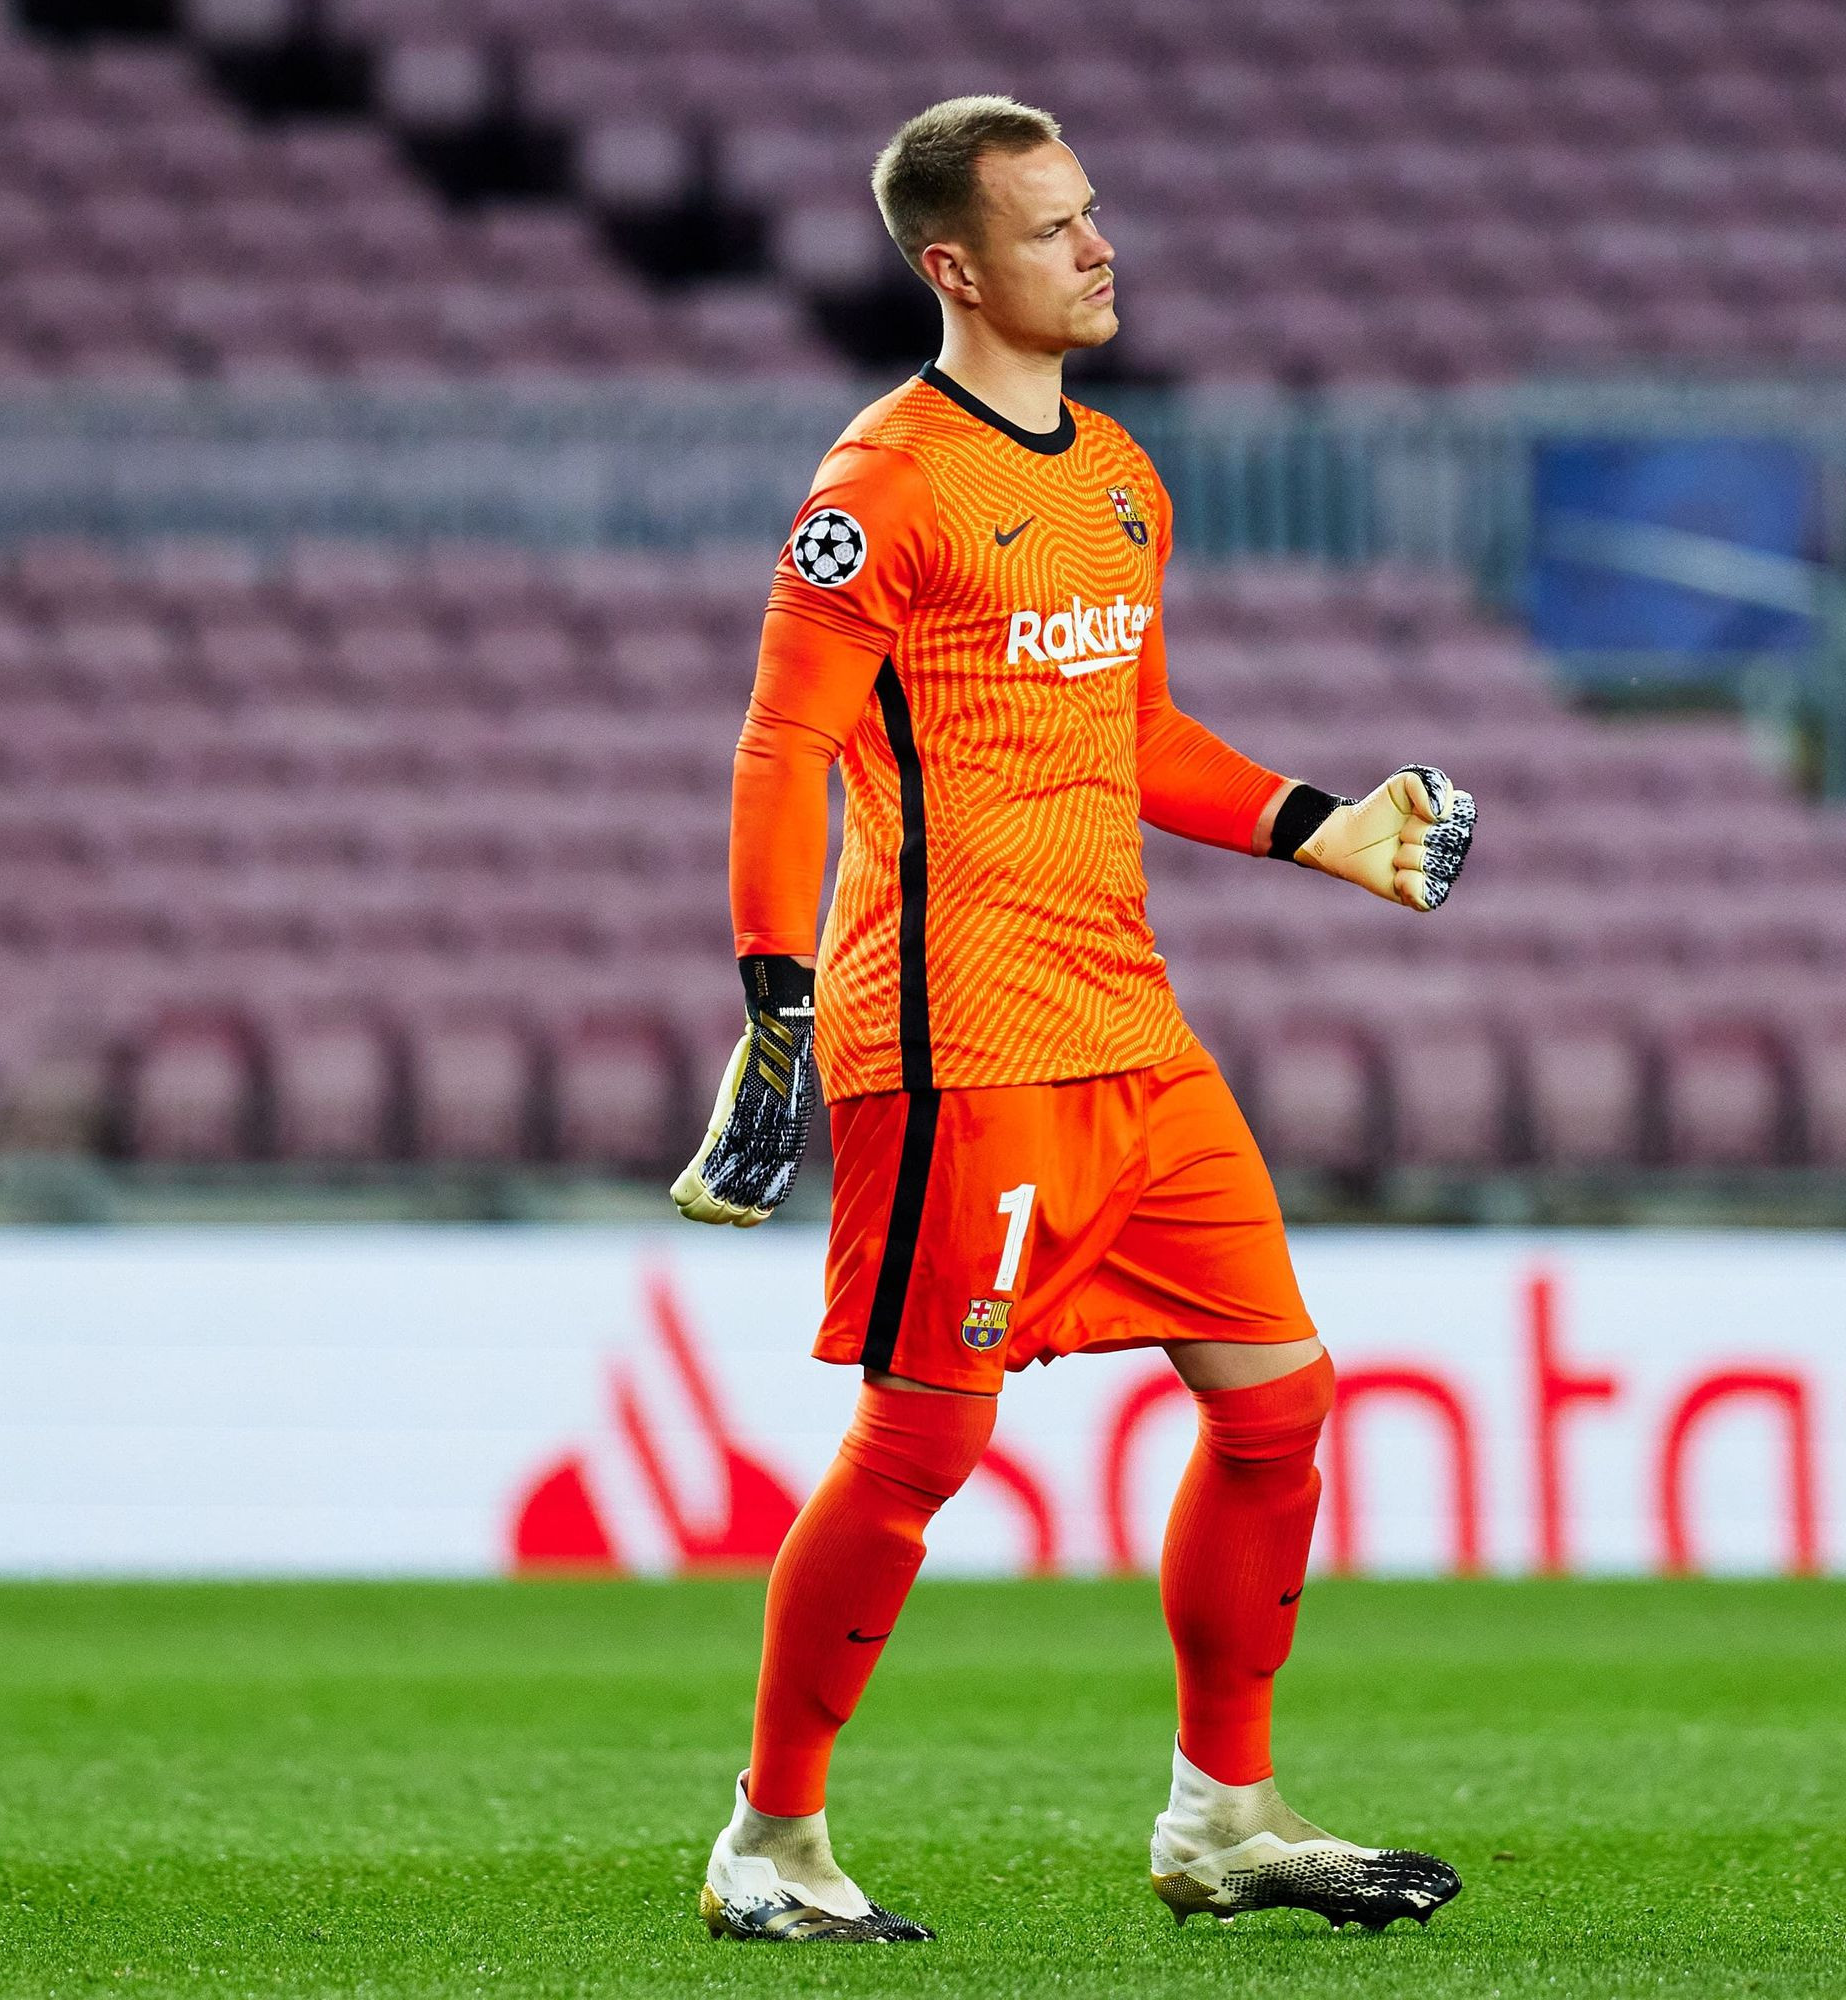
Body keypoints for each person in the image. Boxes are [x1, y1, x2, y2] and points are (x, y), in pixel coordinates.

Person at [670, 94, 1474, 1945]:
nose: (1099, 247)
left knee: (1281, 1401)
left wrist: (1315, 826)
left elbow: (1126, 731)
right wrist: (772, 1006)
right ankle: (767, 1843)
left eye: (1093, 212)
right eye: (1054, 229)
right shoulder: (881, 487)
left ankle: (1225, 1816)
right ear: (955, 267)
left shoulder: (1119, 473)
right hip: (959, 1037)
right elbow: (783, 745)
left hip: (1129, 1023)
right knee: (924, 1446)